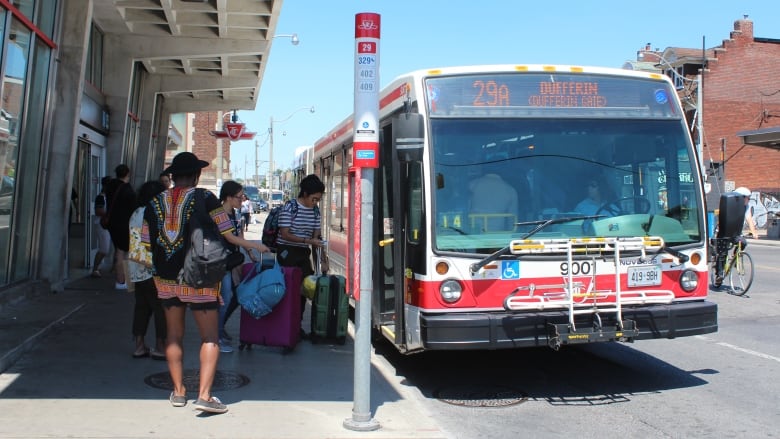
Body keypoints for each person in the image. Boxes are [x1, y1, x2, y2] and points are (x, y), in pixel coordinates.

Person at [142, 152, 269, 414]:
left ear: (173, 176)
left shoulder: (153, 203)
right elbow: (229, 236)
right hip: (200, 277)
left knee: (173, 336)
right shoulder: (206, 198)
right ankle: (205, 396)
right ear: (197, 176)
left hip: (166, 280)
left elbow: (145, 242)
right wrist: (254, 245)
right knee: (210, 337)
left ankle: (178, 392)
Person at [276, 174, 328, 339]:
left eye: (318, 200)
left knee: (304, 289)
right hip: (286, 251)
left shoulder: (315, 212)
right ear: (304, 194)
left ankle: (296, 326)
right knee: (288, 289)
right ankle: (285, 325)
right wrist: (307, 240)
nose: (315, 203)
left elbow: (316, 238)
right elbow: (284, 234)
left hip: (302, 252)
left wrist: (323, 260)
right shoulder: (290, 207)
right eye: (314, 199)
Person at [217, 180, 260, 353]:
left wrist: (250, 253)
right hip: (220, 263)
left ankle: (219, 329)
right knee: (226, 296)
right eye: (239, 196)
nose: (242, 199)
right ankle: (216, 337)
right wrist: (257, 247)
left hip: (232, 262)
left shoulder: (235, 214)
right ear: (228, 197)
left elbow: (240, 236)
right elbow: (231, 238)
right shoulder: (219, 214)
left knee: (233, 296)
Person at [128, 180, 167, 360]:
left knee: (141, 308)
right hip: (152, 267)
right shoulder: (154, 213)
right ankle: (160, 347)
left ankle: (139, 345)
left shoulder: (135, 212)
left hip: (136, 266)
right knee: (160, 308)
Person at [106, 164, 136, 290]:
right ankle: (126, 281)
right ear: (127, 173)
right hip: (125, 223)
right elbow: (133, 206)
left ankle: (120, 281)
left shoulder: (110, 186)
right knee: (126, 252)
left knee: (119, 250)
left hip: (112, 223)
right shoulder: (127, 189)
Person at [91, 176, 113, 278]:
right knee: (104, 249)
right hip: (102, 224)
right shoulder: (101, 197)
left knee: (107, 248)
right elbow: (98, 211)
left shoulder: (109, 197)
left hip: (108, 224)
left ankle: (97, 267)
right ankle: (94, 268)